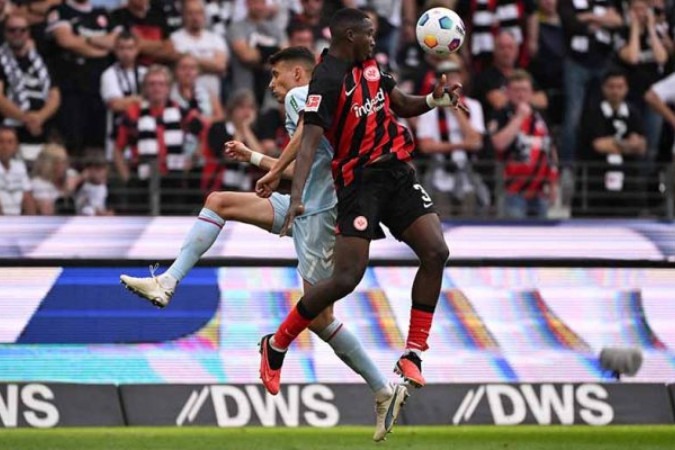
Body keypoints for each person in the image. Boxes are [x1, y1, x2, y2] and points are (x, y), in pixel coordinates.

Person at [119, 46, 408, 442]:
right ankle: (167, 281)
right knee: (219, 202)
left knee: (322, 320)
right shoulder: (326, 103)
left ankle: (382, 388)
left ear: (296, 74)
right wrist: (258, 159)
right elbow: (307, 160)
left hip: (318, 215)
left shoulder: (298, 98)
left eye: (275, 76)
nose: (272, 85)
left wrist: (265, 167)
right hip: (304, 204)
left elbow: (303, 157)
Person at [258, 8, 463, 399]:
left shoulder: (370, 64)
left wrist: (434, 100)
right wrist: (296, 197)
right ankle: (277, 344)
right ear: (349, 36)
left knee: (436, 251)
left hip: (397, 172)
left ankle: (413, 354)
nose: (375, 39)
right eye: (369, 34)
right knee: (346, 279)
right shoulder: (327, 79)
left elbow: (398, 102)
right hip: (358, 183)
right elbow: (310, 142)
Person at [576, 69, 647, 216]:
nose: (615, 91)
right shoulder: (592, 113)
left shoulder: (633, 113)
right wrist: (627, 144)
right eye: (611, 86)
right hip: (597, 185)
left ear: (626, 88)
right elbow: (600, 145)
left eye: (620, 86)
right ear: (603, 88)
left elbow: (641, 146)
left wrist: (616, 144)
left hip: (628, 186)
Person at [489, 70, 558, 219]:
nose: (521, 95)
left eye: (525, 90)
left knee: (542, 237)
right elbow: (499, 144)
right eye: (516, 90)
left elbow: (550, 148)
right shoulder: (501, 113)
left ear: (531, 92)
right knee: (515, 235)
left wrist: (553, 183)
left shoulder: (541, 115)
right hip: (513, 191)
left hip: (540, 190)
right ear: (507, 92)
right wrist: (519, 117)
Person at [0, 14, 60, 163]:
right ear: (4, 33)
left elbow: (55, 95)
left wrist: (40, 117)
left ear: (29, 32)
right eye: (12, 30)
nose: (17, 34)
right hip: (10, 133)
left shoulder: (42, 60)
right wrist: (26, 118)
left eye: (22, 30)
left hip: (42, 130)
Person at [0, 126, 35, 215]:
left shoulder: (19, 167)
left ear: (16, 146)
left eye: (10, 142)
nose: (5, 146)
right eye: (1, 141)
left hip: (17, 221)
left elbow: (27, 197)